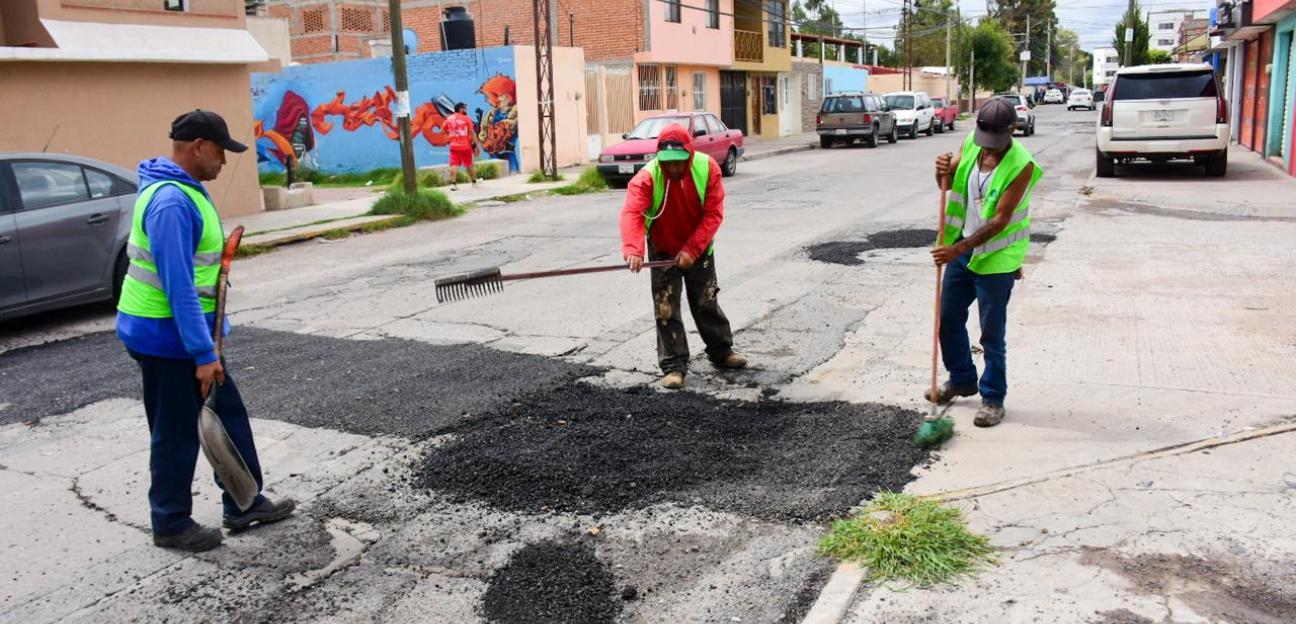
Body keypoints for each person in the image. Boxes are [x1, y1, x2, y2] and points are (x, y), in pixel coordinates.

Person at [117, 110, 295, 553]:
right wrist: (202, 354)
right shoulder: (172, 202)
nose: (224, 161)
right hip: (167, 338)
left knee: (227, 416)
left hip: (185, 335)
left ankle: (244, 502)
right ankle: (171, 521)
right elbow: (178, 287)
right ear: (198, 147)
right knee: (177, 429)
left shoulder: (185, 192)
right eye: (220, 152)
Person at [928, 98, 1043, 427]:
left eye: (996, 140)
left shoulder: (1023, 164)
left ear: (1012, 130)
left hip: (997, 258)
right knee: (947, 320)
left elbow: (999, 221)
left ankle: (993, 398)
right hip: (963, 254)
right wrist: (940, 173)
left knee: (991, 334)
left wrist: (956, 248)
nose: (988, 148)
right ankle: (962, 378)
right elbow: (948, 185)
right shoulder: (970, 143)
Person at [620, 124, 747, 389]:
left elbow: (713, 214)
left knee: (706, 301)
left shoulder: (708, 168)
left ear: (689, 155)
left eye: (679, 163)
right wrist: (634, 249)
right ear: (659, 158)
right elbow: (632, 213)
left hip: (699, 248)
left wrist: (691, 249)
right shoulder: (647, 178)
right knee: (666, 307)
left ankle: (722, 352)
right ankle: (674, 365)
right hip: (663, 248)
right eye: (668, 164)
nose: (674, 169)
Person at [445, 102, 479, 190]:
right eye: (464, 108)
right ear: (460, 109)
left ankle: (453, 183)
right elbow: (472, 132)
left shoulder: (449, 119)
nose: (466, 110)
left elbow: (445, 130)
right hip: (465, 145)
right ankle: (474, 182)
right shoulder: (466, 119)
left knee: (454, 164)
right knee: (469, 164)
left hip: (453, 145)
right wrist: (476, 145)